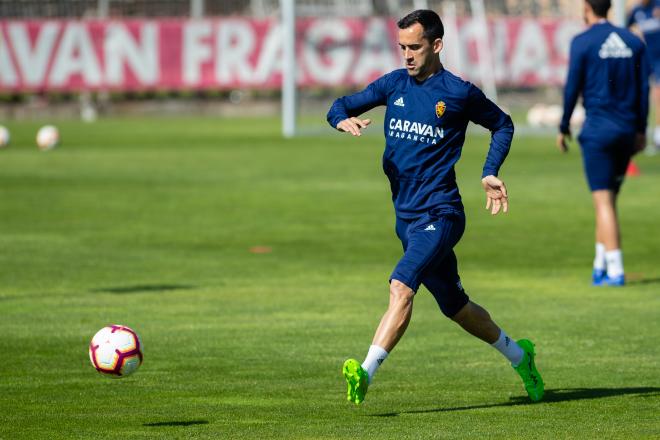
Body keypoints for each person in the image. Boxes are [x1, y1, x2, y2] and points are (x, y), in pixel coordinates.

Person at [326, 10, 544, 405]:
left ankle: (365, 371)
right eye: (402, 47)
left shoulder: (459, 92)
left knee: (401, 286)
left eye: (415, 47)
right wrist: (343, 121)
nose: (407, 55)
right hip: (406, 218)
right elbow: (340, 105)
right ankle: (519, 354)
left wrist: (490, 171)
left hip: (441, 214)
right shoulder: (394, 84)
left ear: (436, 45)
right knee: (456, 307)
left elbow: (503, 124)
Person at [558, 0, 649, 287]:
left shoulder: (583, 41)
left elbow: (573, 85)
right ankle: (600, 264)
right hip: (626, 131)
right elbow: (643, 89)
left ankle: (615, 270)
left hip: (598, 132)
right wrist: (641, 129)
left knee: (603, 201)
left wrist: (563, 125)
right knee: (607, 201)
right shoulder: (632, 41)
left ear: (586, 8)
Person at [627, 0, 660, 153]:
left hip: (659, 59)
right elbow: (627, 29)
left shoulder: (657, 5)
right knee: (641, 94)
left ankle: (658, 135)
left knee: (658, 94)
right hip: (645, 59)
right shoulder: (637, 10)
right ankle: (642, 133)